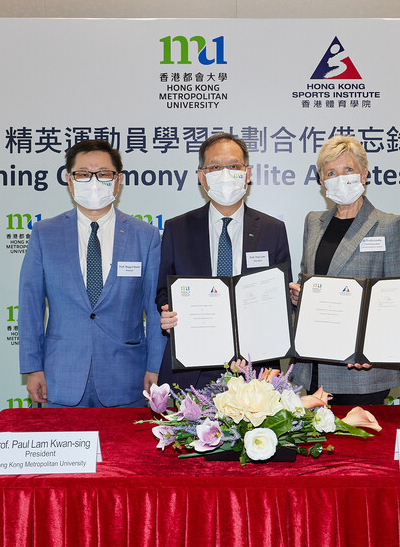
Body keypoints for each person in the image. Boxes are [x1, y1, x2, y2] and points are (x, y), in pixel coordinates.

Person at [19, 139, 164, 407]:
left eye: (104, 174)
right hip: (59, 377)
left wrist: (155, 367)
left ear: (118, 181)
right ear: (69, 181)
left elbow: (156, 310)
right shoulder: (44, 234)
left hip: (127, 378)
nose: (94, 181)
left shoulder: (146, 236)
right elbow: (30, 306)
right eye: (84, 174)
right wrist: (32, 367)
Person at [156, 132, 292, 389]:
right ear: (202, 177)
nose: (226, 174)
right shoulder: (178, 228)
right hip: (191, 366)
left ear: (248, 173)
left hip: (255, 368)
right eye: (216, 167)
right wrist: (167, 312)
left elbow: (281, 296)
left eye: (234, 166)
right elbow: (164, 290)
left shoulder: (273, 229)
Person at [288, 135, 400, 405]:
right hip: (313, 364)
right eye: (331, 172)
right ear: (321, 182)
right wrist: (299, 296)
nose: (339, 178)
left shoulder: (389, 225)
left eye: (348, 170)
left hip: (361, 369)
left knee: (360, 447)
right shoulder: (314, 222)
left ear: (364, 174)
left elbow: (399, 302)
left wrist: (373, 351)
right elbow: (307, 277)